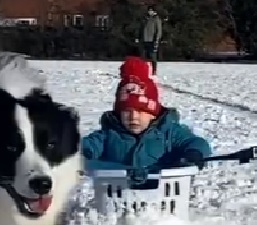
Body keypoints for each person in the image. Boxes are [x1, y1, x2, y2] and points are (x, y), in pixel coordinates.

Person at [82, 56, 210, 183]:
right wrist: (80, 153)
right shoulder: (109, 134)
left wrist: (194, 153)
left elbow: (196, 142)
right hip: (118, 194)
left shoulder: (169, 133)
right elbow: (89, 145)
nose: (133, 117)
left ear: (153, 114)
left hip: (164, 194)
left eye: (140, 111)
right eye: (126, 111)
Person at [140, 6, 163, 73]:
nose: (149, 12)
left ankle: (154, 70)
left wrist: (156, 39)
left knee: (153, 56)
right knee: (143, 57)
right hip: (145, 39)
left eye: (151, 10)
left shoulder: (156, 19)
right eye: (149, 10)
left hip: (152, 40)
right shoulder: (145, 19)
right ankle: (144, 70)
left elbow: (159, 30)